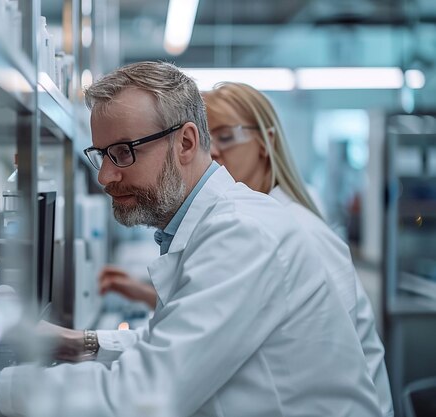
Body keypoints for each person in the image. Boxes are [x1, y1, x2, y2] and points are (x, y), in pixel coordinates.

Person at [0, 62, 382, 417]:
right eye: (101, 155)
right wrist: (81, 344)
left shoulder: (242, 235)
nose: (105, 176)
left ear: (185, 142)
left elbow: (141, 397)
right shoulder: (211, 226)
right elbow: (173, 343)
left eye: (123, 151)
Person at [93, 81, 393, 417]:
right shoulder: (230, 222)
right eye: (210, 136)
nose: (214, 151)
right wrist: (89, 343)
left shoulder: (280, 229)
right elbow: (201, 335)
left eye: (225, 136)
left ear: (267, 143)